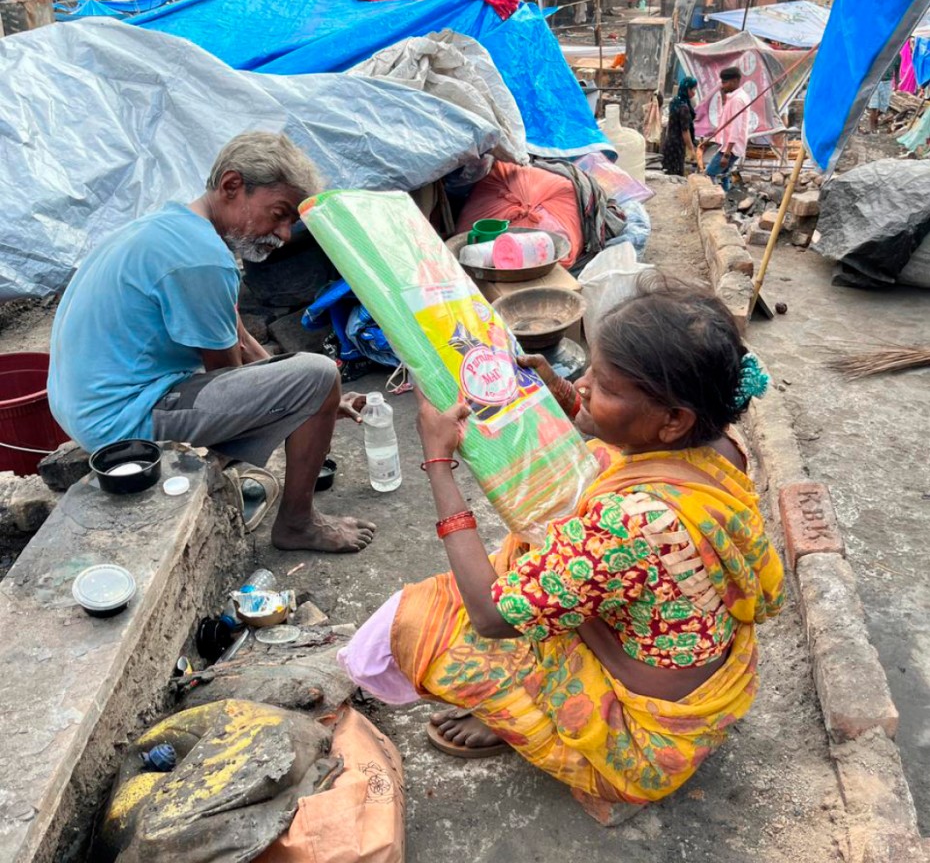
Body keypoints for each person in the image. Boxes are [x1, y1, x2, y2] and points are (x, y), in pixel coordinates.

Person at [338, 277, 784, 817]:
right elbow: (615, 445)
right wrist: (570, 396)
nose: (585, 384)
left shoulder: (629, 522)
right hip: (703, 679)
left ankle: (525, 718)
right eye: (590, 371)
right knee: (559, 516)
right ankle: (539, 687)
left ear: (673, 420)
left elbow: (489, 615)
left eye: (606, 386)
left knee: (416, 624)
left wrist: (438, 462)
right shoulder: (719, 447)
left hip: (643, 746)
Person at [49, 131, 376, 554]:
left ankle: (312, 404)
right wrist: (313, 398)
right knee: (319, 372)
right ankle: (298, 523)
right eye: (278, 214)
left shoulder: (173, 228)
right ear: (232, 186)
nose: (282, 233)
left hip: (83, 405)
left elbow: (232, 330)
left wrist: (318, 397)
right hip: (121, 421)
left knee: (313, 382)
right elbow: (228, 374)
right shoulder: (203, 258)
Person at [704, 66, 751, 192]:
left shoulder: (737, 100)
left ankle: (715, 199)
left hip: (731, 148)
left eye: (725, 83)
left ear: (735, 81)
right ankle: (725, 199)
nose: (722, 86)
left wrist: (727, 153)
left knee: (710, 174)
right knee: (724, 175)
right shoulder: (735, 97)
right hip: (730, 146)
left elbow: (736, 127)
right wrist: (723, 94)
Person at [661, 77, 698, 176]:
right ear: (687, 89)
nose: (694, 92)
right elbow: (685, 131)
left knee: (668, 172)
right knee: (675, 175)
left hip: (669, 142)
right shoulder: (684, 107)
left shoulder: (675, 101)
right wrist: (691, 149)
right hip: (677, 146)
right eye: (693, 89)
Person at [867, 54, 901, 133]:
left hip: (887, 82)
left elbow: (897, 71)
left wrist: (896, 83)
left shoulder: (898, 57)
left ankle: (875, 119)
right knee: (874, 106)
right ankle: (872, 128)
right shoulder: (881, 51)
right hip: (875, 81)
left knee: (884, 106)